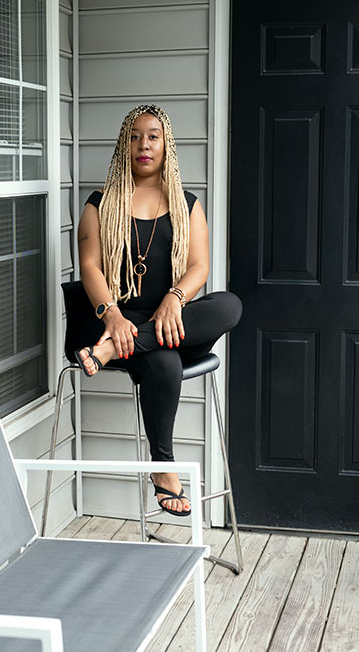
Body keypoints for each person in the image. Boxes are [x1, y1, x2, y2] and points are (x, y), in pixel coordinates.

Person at [73, 105, 242, 516]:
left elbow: (199, 266)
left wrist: (174, 298)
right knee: (164, 362)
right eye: (134, 136)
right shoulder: (100, 204)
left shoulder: (186, 203)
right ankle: (163, 469)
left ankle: (114, 347)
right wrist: (112, 315)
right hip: (119, 319)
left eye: (153, 136)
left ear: (167, 146)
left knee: (229, 305)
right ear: (122, 145)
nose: (143, 144)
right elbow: (90, 267)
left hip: (173, 319)